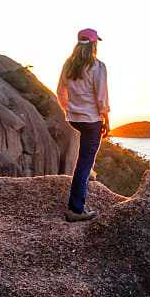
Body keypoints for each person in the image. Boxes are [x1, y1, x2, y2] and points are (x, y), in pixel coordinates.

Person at [56, 28, 110, 222]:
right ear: (94, 44)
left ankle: (85, 178)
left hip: (74, 118)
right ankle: (76, 209)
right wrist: (106, 120)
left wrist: (69, 110)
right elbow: (101, 98)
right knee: (85, 161)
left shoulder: (68, 65)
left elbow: (60, 92)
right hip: (91, 119)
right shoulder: (97, 66)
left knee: (84, 158)